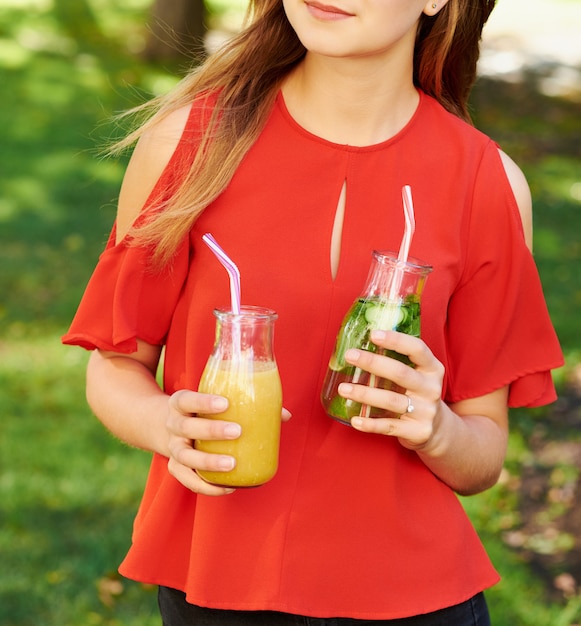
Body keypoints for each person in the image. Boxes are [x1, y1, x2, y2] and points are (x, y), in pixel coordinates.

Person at [62, 0, 564, 623]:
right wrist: (163, 424)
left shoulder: (488, 183)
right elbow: (115, 364)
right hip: (221, 585)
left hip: (414, 595)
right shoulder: (190, 145)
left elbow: (483, 453)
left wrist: (435, 428)